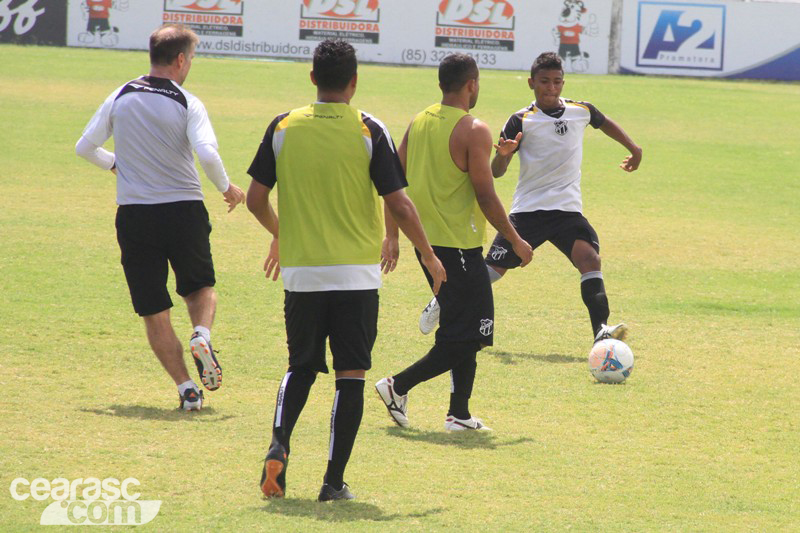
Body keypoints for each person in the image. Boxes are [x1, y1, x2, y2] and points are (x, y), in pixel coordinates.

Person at [246, 39, 445, 502]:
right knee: (350, 376)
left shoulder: (282, 127)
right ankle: (333, 483)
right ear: (354, 81)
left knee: (300, 367)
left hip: (303, 275)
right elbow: (399, 202)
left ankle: (279, 443)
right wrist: (429, 255)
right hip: (356, 276)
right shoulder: (368, 128)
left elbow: (256, 199)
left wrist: (282, 233)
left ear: (312, 77)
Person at [75, 24, 245, 412]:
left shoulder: (121, 94)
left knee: (154, 309)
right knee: (200, 288)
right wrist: (226, 188)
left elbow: (85, 147)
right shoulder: (188, 101)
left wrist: (114, 162)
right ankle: (201, 334)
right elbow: (207, 153)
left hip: (135, 215)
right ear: (181, 59)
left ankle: (186, 388)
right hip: (183, 210)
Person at [418, 51, 642, 345]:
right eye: (544, 82)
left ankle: (601, 330)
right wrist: (503, 156)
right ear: (531, 83)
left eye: (557, 82)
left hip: (567, 211)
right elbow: (496, 173)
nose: (551, 88)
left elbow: (604, 122)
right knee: (491, 272)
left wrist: (633, 148)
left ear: (563, 83)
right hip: (529, 212)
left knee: (590, 259)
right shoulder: (520, 120)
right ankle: (444, 300)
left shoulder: (580, 111)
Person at [375, 54, 533, 432]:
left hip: (427, 247)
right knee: (472, 334)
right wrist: (516, 240)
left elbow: (392, 182)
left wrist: (392, 234)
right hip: (458, 249)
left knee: (460, 331)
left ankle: (459, 414)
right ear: (472, 84)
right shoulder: (474, 128)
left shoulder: (419, 121)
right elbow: (485, 195)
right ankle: (397, 385)